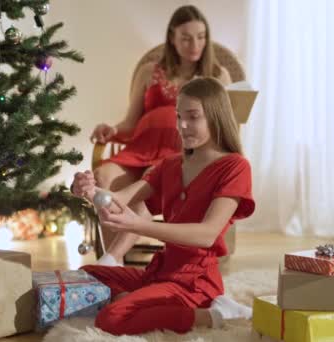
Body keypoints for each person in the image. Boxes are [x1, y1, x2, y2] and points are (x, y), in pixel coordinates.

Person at [72, 77, 254, 335]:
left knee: (112, 319)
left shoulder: (235, 167)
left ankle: (213, 314)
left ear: (215, 116)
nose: (182, 125)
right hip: (159, 272)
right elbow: (120, 200)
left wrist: (140, 225)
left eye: (193, 117)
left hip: (194, 281)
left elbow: (207, 234)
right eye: (179, 117)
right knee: (86, 276)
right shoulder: (170, 165)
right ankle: (139, 301)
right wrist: (89, 191)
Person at [90, 5, 233, 264]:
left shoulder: (217, 76)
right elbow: (130, 123)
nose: (195, 44)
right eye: (186, 37)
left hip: (178, 154)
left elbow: (221, 125)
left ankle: (114, 257)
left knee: (149, 182)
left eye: (201, 37)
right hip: (139, 148)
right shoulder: (149, 71)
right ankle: (117, 268)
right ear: (172, 38)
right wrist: (112, 131)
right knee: (103, 176)